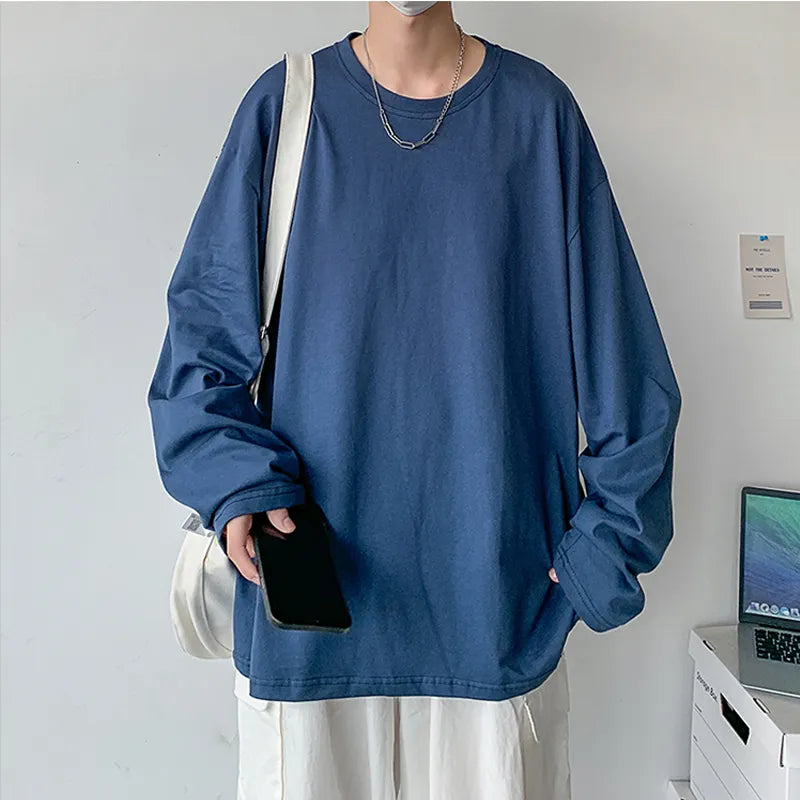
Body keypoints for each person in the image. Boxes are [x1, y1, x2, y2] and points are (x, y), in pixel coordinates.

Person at [146, 2, 682, 798]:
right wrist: (237, 488)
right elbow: (201, 349)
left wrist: (601, 554)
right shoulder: (287, 107)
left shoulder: (537, 115)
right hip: (311, 625)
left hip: (493, 620)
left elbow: (627, 368)